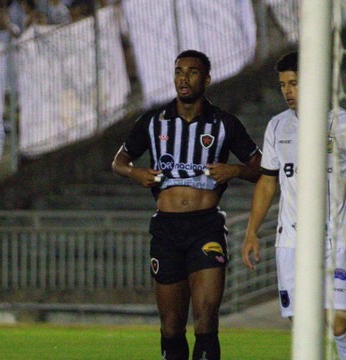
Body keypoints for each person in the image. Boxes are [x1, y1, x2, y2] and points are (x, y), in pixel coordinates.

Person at [112, 49, 261, 360]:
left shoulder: (224, 124)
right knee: (171, 326)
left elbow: (261, 168)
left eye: (192, 72)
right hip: (166, 229)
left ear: (206, 79)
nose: (183, 77)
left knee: (206, 318)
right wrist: (136, 172)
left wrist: (234, 170)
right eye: (179, 71)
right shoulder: (154, 122)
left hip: (206, 226)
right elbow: (119, 162)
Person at [241, 51, 346, 360]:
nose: (287, 91)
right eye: (283, 84)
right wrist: (251, 231)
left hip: (335, 236)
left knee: (339, 323)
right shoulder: (277, 126)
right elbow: (267, 182)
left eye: (294, 83)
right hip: (291, 239)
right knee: (300, 324)